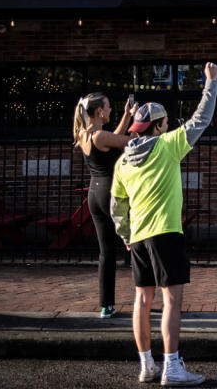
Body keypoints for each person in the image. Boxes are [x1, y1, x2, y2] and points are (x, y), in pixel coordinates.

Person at [111, 62, 217, 386]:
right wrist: (210, 82)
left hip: (139, 239)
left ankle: (147, 365)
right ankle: (171, 366)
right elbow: (201, 119)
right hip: (166, 232)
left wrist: (126, 234)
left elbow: (116, 205)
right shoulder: (167, 146)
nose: (170, 126)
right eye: (166, 122)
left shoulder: (122, 164)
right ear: (156, 126)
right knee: (172, 299)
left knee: (142, 300)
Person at [73, 91, 136, 319]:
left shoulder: (84, 134)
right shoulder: (100, 137)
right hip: (111, 195)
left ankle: (106, 306)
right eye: (108, 107)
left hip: (94, 195)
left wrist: (127, 117)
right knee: (133, 243)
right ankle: (144, 296)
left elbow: (113, 137)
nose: (110, 110)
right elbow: (127, 141)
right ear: (99, 111)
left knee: (106, 252)